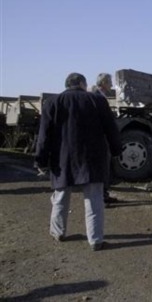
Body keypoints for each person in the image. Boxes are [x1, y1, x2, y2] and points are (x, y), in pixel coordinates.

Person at [35, 72, 121, 251]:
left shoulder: (52, 103)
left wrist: (41, 160)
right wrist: (116, 150)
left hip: (62, 159)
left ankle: (58, 232)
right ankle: (96, 240)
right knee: (94, 199)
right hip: (92, 158)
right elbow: (111, 129)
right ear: (82, 84)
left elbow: (44, 136)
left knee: (60, 197)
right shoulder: (97, 101)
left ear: (67, 85)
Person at [91, 73, 120, 206]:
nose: (111, 85)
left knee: (104, 167)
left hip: (99, 138)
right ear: (103, 83)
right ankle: (101, 197)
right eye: (109, 82)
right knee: (102, 168)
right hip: (100, 139)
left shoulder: (97, 96)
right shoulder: (98, 97)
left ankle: (103, 195)